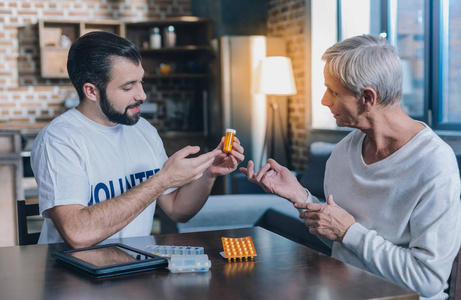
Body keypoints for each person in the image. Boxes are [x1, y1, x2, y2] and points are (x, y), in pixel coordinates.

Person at [240, 34, 461, 299]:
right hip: (345, 290)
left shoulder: (434, 163)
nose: (324, 100)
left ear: (367, 98)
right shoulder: (343, 153)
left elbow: (427, 280)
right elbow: (341, 241)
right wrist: (300, 196)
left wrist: (349, 231)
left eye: (333, 91)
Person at [31, 31, 244, 249]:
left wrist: (209, 174)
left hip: (135, 269)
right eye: (128, 86)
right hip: (73, 276)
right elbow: (78, 234)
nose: (142, 94)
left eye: (141, 82)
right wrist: (162, 180)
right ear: (91, 91)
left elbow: (177, 209)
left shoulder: (143, 130)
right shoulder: (58, 140)